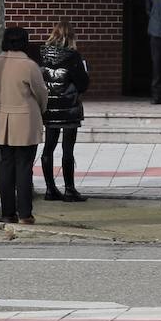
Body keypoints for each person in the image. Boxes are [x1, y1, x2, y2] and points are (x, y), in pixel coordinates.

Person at [0, 26, 48, 225]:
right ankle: (25, 213)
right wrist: (41, 109)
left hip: (1, 118)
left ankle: (8, 212)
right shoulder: (29, 65)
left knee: (6, 165)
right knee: (24, 167)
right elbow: (41, 93)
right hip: (25, 119)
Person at [38, 18, 91, 203]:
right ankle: (69, 189)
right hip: (69, 108)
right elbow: (83, 84)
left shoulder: (41, 55)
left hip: (49, 107)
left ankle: (50, 188)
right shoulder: (74, 57)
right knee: (68, 149)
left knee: (48, 148)